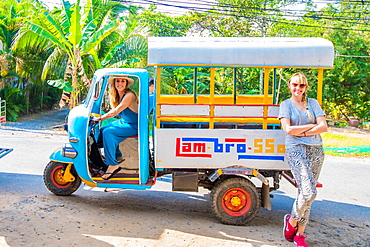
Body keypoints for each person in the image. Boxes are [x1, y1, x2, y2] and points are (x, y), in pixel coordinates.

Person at [278, 72, 328, 247]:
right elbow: (288, 130)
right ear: (290, 86)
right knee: (309, 192)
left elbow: (324, 127)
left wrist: (304, 131)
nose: (297, 88)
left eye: (301, 85)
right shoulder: (285, 105)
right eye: (295, 85)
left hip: (316, 150)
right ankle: (291, 222)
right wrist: (312, 126)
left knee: (306, 194)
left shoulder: (312, 103)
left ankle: (299, 233)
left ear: (306, 87)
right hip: (295, 149)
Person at [93, 76, 139, 180]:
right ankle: (105, 157)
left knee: (108, 133)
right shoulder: (117, 95)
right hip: (125, 121)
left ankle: (113, 164)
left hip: (134, 125)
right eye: (118, 81)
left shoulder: (129, 95)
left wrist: (100, 118)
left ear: (126, 83)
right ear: (114, 83)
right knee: (101, 131)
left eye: (123, 81)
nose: (120, 83)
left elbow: (115, 112)